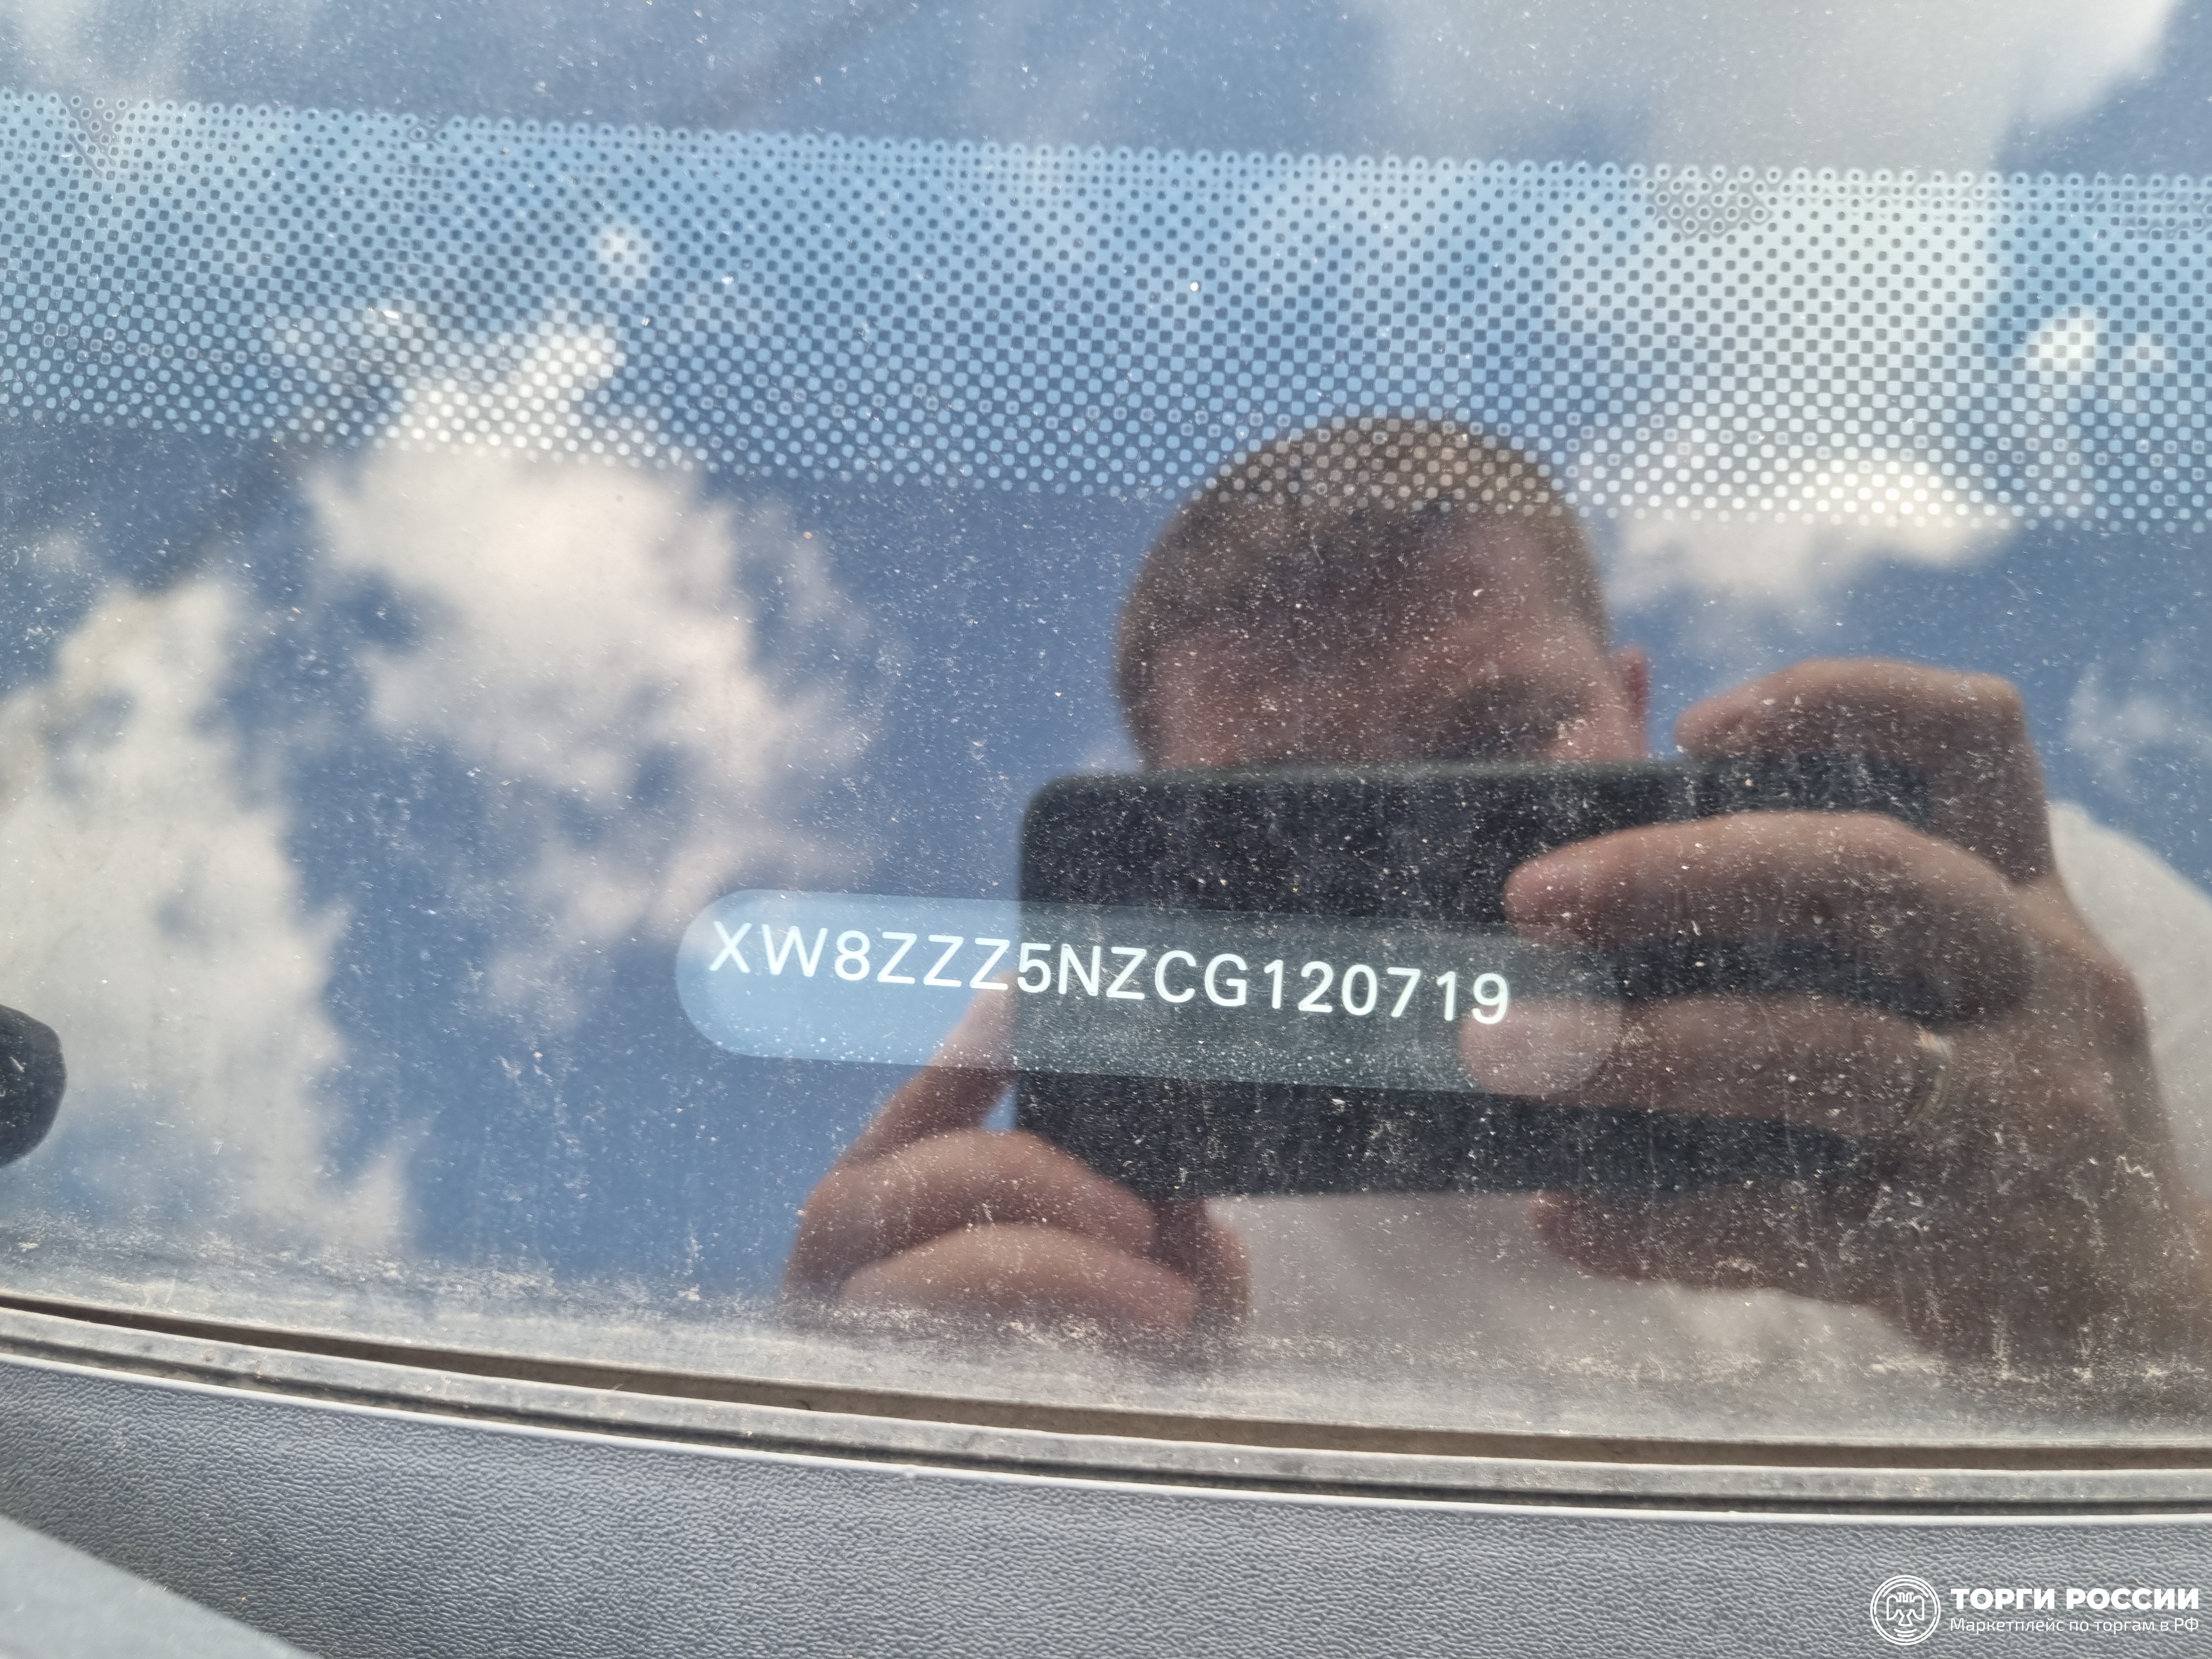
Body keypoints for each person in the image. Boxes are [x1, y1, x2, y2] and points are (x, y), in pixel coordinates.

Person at [785, 416, 2212, 1387]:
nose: (1412, 863)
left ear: (1633, 709)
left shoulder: (2013, 950)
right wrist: (897, 1427)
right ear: (1170, 839)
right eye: (1288, 813)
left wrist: (2150, 1288)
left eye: (1499, 740)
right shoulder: (1149, 1236)